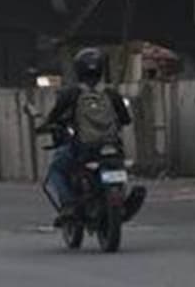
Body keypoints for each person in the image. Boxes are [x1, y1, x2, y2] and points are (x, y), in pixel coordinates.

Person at [38, 47, 132, 226]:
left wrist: (46, 125)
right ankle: (119, 199)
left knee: (56, 169)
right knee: (119, 165)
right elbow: (126, 120)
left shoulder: (71, 93)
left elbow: (54, 117)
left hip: (84, 147)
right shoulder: (111, 93)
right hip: (113, 146)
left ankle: (69, 205)